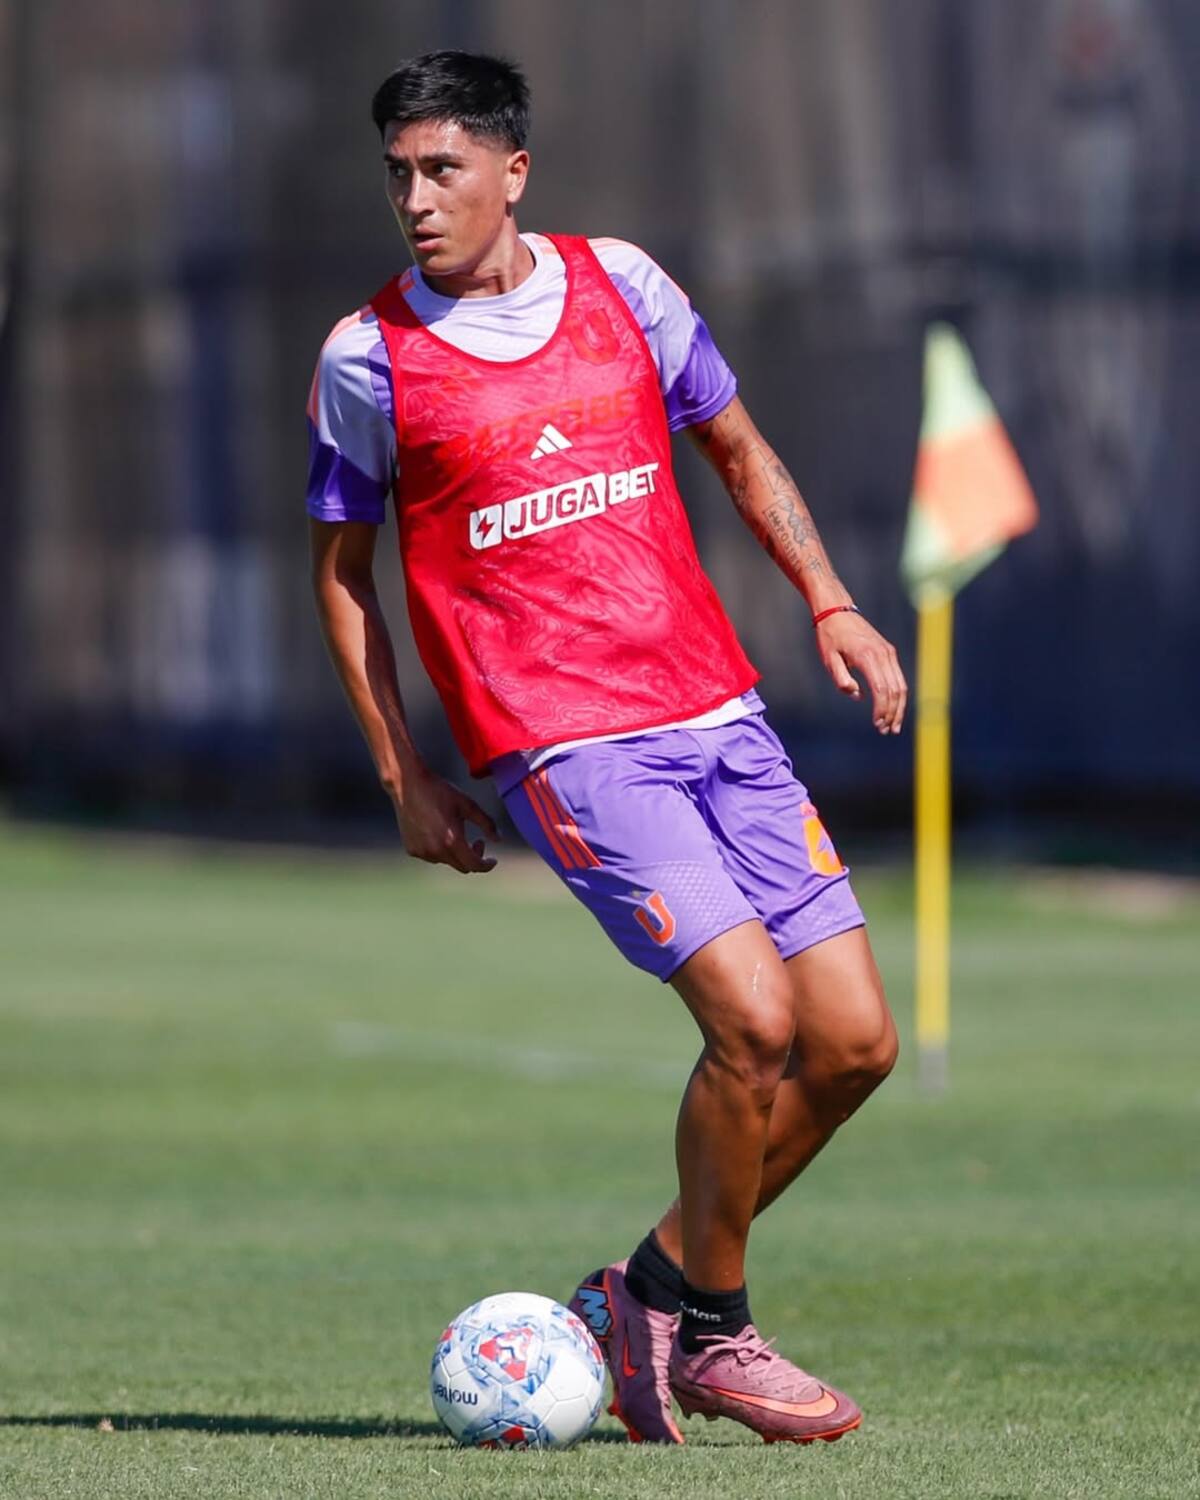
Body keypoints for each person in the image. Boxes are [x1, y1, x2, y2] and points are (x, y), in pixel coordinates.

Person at [307, 50, 906, 1447]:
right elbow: (342, 572)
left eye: (442, 169)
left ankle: (642, 1293)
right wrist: (404, 775)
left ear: (514, 173)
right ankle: (715, 1334)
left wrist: (830, 599)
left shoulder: (627, 287)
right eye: (397, 173)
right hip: (567, 743)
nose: (415, 198)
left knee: (859, 1044)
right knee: (753, 1022)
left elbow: (741, 449)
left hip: (717, 708)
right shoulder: (366, 358)